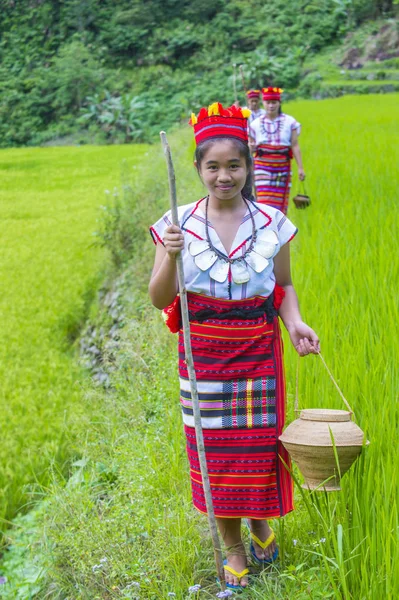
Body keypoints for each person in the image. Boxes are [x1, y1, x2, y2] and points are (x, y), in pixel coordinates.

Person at [149, 102, 319, 591]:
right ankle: (233, 547)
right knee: (215, 454)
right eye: (213, 167)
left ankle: (261, 524)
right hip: (203, 355)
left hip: (257, 351)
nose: (225, 176)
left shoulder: (272, 222)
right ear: (199, 169)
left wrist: (296, 324)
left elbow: (282, 287)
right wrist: (170, 257)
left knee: (259, 448)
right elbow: (159, 298)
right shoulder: (176, 223)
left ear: (248, 166)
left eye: (234, 165)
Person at [249, 87, 305, 214]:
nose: (271, 106)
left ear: (279, 103)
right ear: (263, 103)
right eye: (268, 102)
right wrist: (251, 148)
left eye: (274, 102)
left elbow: (295, 145)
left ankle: (277, 230)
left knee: (279, 202)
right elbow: (250, 146)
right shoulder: (255, 124)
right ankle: (263, 228)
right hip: (261, 166)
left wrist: (300, 168)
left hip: (283, 167)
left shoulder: (290, 122)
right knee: (263, 200)